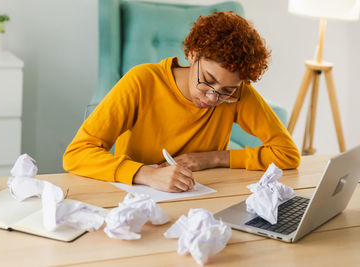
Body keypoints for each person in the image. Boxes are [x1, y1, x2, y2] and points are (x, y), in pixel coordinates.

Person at [63, 11, 300, 193]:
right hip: (136, 201)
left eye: (226, 91)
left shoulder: (238, 95)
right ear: (193, 54)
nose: (213, 98)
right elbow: (77, 154)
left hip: (203, 201)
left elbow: (287, 154)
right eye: (207, 80)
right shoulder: (142, 81)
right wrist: (145, 174)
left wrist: (212, 158)